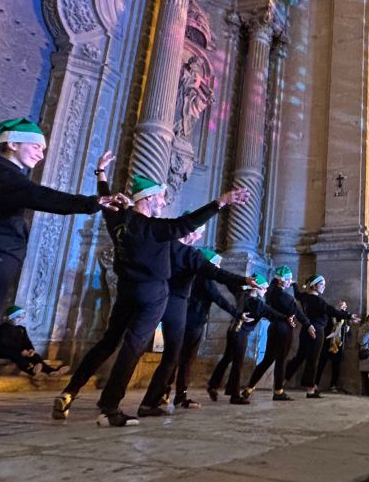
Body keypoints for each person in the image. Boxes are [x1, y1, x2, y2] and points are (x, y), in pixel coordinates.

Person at [0, 118, 123, 446]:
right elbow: (36, 195)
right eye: (36, 147)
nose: (41, 154)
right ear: (13, 143)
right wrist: (91, 202)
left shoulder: (0, 171)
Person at [52, 170, 248, 426]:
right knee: (132, 347)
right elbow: (185, 224)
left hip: (126, 291)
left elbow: (106, 200)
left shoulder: (119, 221)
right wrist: (220, 203)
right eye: (161, 198)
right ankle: (110, 408)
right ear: (148, 197)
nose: (164, 203)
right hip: (152, 294)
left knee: (108, 342)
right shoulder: (154, 229)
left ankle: (70, 391)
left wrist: (102, 174)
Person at [138, 246, 251, 416]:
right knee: (185, 361)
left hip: (182, 320)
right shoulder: (204, 279)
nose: (217, 268)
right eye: (216, 264)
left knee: (174, 359)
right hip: (193, 323)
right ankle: (178, 396)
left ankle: (165, 393)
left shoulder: (190, 274)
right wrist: (238, 314)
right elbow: (219, 299)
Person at [207, 274, 294, 404]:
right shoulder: (258, 304)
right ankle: (235, 396)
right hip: (241, 334)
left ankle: (213, 385)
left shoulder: (241, 294)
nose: (265, 291)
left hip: (232, 331)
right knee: (238, 364)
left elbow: (229, 282)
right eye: (263, 288)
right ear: (256, 288)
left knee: (227, 358)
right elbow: (273, 313)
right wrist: (287, 318)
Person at [242, 266, 314, 401]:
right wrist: (307, 324)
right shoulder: (284, 296)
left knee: (267, 360)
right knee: (281, 361)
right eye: (287, 279)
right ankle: (278, 391)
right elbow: (295, 312)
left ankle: (249, 388)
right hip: (284, 330)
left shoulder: (270, 292)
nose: (289, 281)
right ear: (280, 280)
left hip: (273, 328)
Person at [285, 275, 359, 398]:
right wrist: (349, 315)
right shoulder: (318, 301)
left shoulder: (304, 297)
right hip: (317, 331)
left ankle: (281, 381)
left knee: (299, 358)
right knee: (313, 360)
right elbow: (332, 311)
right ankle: (310, 389)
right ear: (314, 285)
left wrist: (294, 284)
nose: (324, 286)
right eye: (321, 284)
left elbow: (297, 294)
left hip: (306, 329)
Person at [0, 306, 69, 377]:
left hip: (18, 351)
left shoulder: (21, 329)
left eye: (22, 318)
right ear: (11, 317)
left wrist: (30, 350)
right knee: (16, 355)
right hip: (1, 351)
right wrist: (21, 351)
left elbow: (27, 342)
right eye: (18, 317)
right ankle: (31, 370)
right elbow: (5, 343)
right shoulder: (2, 328)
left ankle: (51, 371)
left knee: (35, 356)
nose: (20, 320)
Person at [314, 300, 352, 393]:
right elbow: (324, 326)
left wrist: (347, 331)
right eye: (340, 305)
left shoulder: (346, 319)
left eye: (344, 306)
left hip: (338, 345)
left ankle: (333, 385)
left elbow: (349, 334)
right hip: (327, 342)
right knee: (321, 364)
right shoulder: (330, 316)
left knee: (336, 366)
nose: (342, 308)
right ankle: (315, 384)